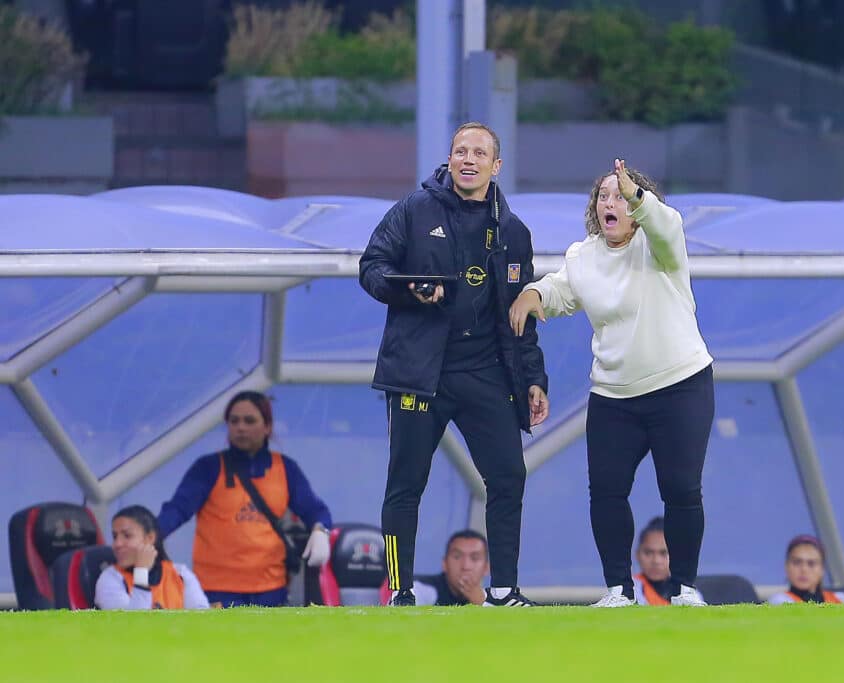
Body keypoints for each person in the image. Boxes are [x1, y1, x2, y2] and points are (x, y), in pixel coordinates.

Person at [359, 122, 549, 608]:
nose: (469, 159)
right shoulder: (413, 210)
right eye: (461, 150)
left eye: (479, 153)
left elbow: (523, 316)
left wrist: (534, 379)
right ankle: (399, 591)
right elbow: (372, 267)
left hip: (486, 371)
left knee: (508, 476)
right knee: (406, 482)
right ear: (449, 159)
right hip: (421, 373)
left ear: (495, 165)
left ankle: (504, 589)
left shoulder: (513, 230)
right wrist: (409, 288)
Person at [510, 159, 715, 608]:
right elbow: (563, 290)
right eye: (604, 196)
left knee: (680, 488)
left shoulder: (660, 244)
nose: (611, 203)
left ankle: (682, 588)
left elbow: (665, 224)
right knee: (605, 489)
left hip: (680, 385)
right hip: (614, 396)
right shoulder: (583, 256)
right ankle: (620, 589)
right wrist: (533, 294)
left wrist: (639, 197)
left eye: (620, 196)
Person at [157, 391, 333, 608]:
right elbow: (177, 510)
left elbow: (316, 510)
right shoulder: (208, 468)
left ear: (267, 427)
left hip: (271, 588)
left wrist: (321, 531)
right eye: (234, 421)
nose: (240, 427)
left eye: (249, 421)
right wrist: (150, 537)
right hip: (217, 589)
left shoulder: (285, 469)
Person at [95, 505, 209, 610]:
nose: (117, 544)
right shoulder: (109, 579)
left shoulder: (180, 573)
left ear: (150, 538)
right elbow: (134, 626)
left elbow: (202, 620)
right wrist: (141, 572)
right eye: (115, 537)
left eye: (127, 536)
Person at [405, 530, 490, 606]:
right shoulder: (418, 590)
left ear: (486, 568)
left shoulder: (492, 599)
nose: (465, 566)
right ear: (444, 564)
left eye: (475, 558)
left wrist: (482, 604)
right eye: (457, 557)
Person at [767, 535, 844, 605]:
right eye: (797, 562)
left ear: (822, 570)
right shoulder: (778, 602)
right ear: (786, 567)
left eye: (811, 563)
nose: (804, 569)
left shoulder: (843, 600)